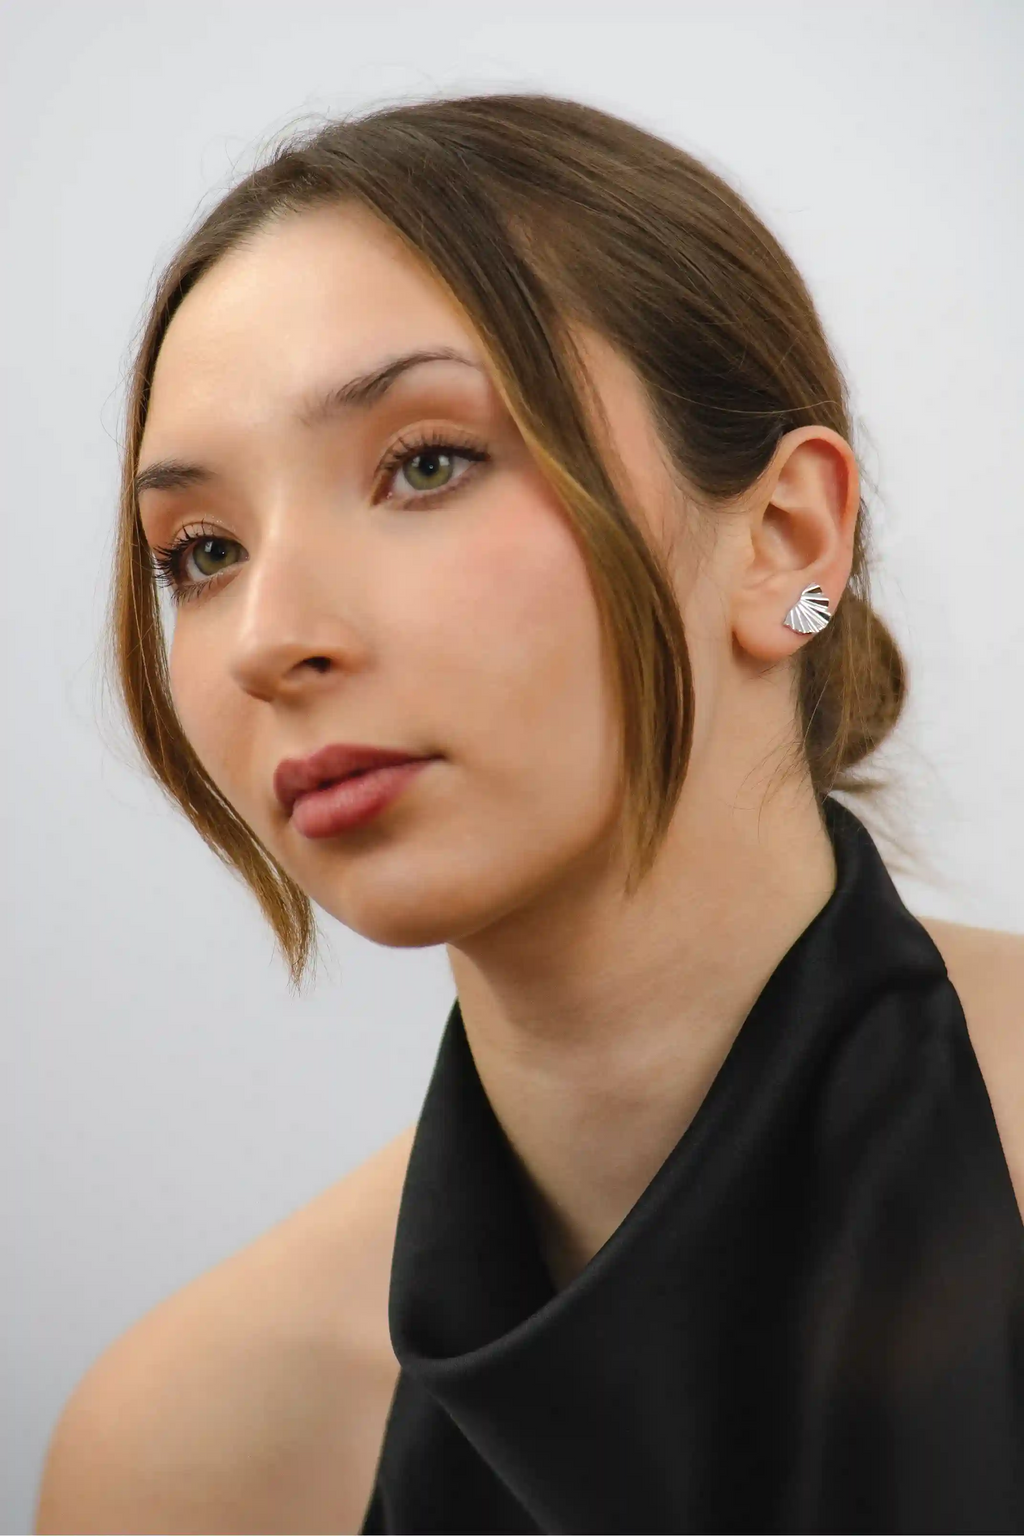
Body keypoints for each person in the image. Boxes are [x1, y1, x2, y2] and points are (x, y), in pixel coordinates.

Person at [36, 93, 1023, 1535]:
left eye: (426, 462)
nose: (265, 637)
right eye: (201, 552)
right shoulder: (190, 1451)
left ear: (788, 546)